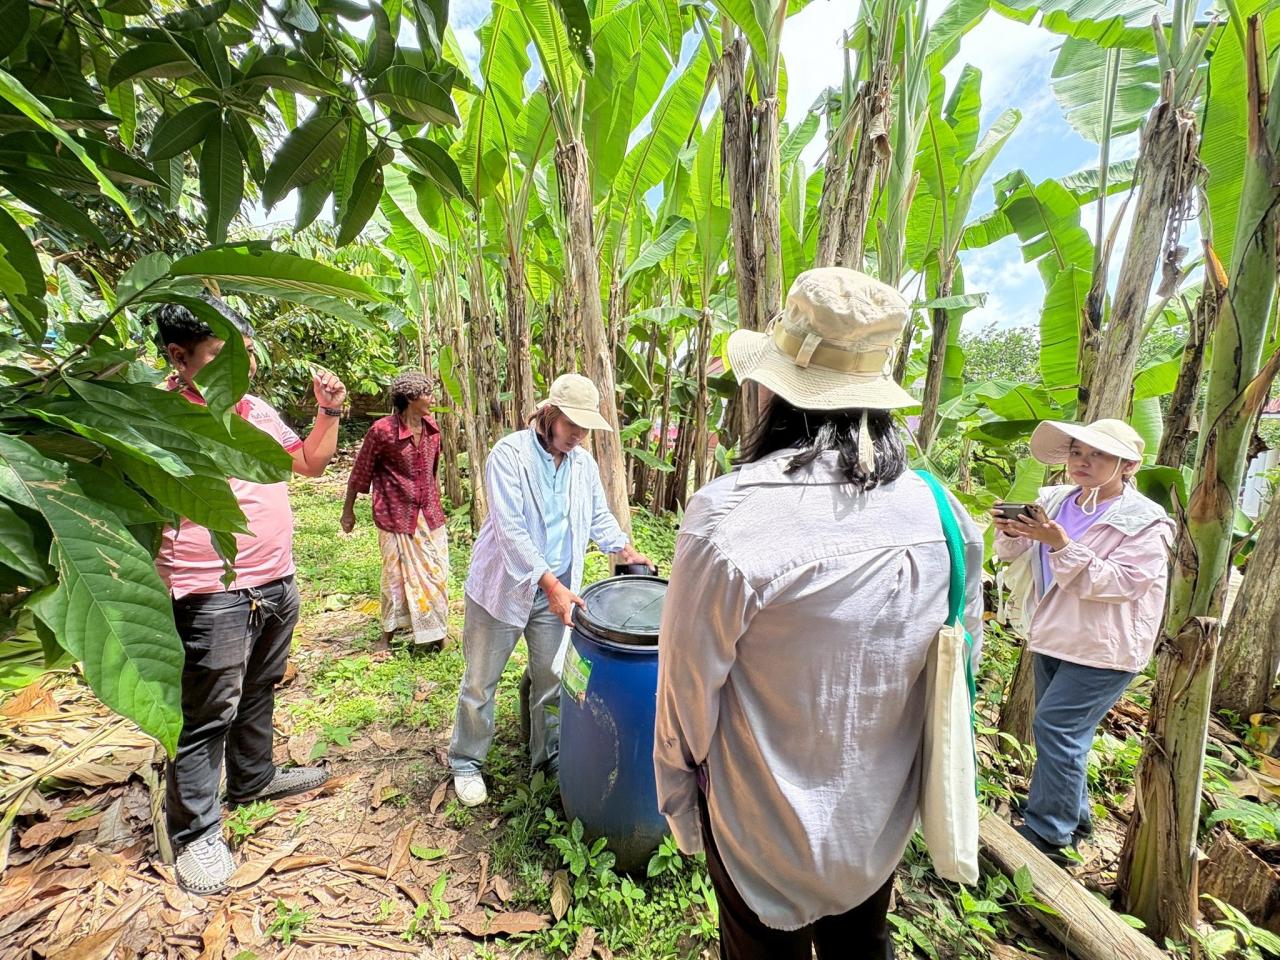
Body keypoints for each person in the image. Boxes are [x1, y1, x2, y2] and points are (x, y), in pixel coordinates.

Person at [654, 267, 984, 959]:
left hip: (760, 837)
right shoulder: (944, 513)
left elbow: (686, 699)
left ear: (775, 390)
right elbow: (958, 664)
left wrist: (683, 813)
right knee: (862, 944)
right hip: (876, 830)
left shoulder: (729, 518)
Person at [150, 298, 347, 896]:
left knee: (259, 688)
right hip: (210, 589)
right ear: (179, 357)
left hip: (275, 580)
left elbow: (308, 463)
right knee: (208, 712)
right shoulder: (157, 416)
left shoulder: (254, 409)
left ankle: (254, 779)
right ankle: (195, 833)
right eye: (224, 354)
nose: (246, 365)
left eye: (247, 351)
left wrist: (328, 411)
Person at [449, 373, 651, 807]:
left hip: (555, 594)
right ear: (550, 414)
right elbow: (511, 530)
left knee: (550, 679)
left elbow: (598, 516)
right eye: (571, 424)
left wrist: (624, 547)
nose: (578, 435)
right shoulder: (510, 456)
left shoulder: (583, 465)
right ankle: (466, 762)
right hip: (502, 590)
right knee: (481, 682)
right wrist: (551, 584)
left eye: (584, 427)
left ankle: (547, 760)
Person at [993, 419, 1173, 865]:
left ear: (1128, 465)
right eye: (1076, 452)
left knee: (1057, 728)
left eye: (1098, 455)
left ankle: (1050, 834)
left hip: (1103, 646)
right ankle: (1072, 819)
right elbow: (1011, 555)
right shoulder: (1054, 500)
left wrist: (1060, 544)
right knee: (1066, 733)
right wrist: (1012, 531)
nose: (1083, 462)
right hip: (1053, 633)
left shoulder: (1146, 522)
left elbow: (1123, 583)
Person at [342, 370, 449, 654]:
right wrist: (348, 511)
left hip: (429, 514)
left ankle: (438, 633)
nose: (432, 399)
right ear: (411, 398)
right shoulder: (382, 431)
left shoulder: (432, 429)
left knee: (436, 573)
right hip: (394, 515)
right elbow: (361, 471)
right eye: (427, 394)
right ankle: (387, 636)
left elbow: (432, 472)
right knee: (394, 578)